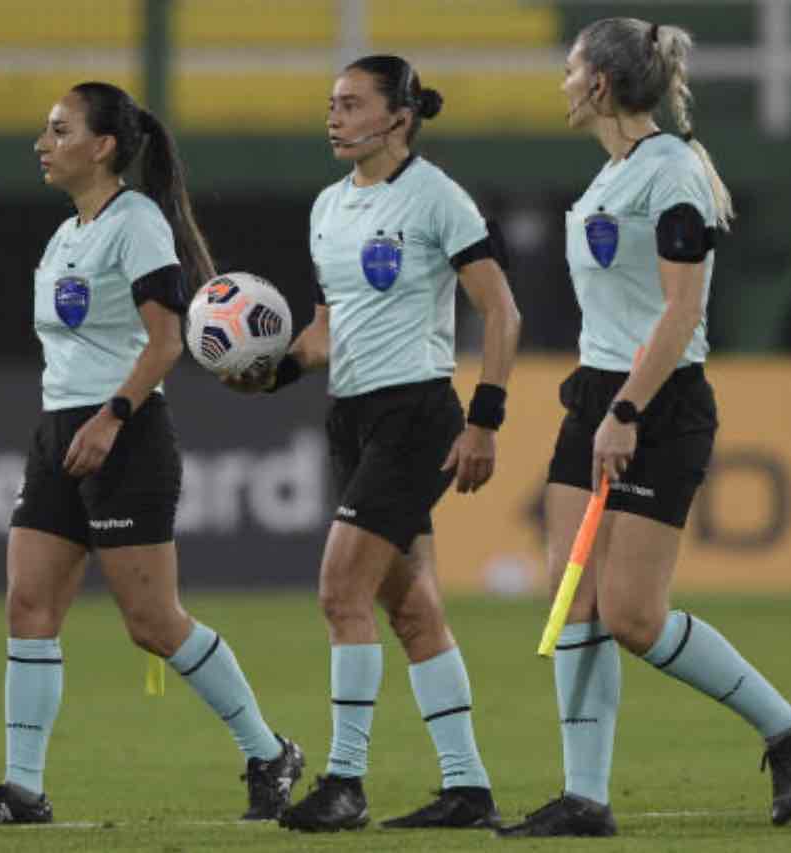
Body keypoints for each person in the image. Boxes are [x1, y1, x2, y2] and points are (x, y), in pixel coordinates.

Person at [0, 82, 303, 827]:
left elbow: (167, 341)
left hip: (124, 435)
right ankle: (23, 790)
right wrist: (74, 425)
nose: (42, 142)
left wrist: (112, 416)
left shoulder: (137, 224)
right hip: (59, 432)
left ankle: (268, 751)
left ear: (102, 147)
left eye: (59, 130)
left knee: (153, 621)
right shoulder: (66, 235)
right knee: (29, 607)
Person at [498, 19, 791, 838]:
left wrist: (626, 411)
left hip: (658, 402)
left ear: (600, 86)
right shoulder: (613, 175)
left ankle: (787, 723)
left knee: (634, 616)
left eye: (573, 71)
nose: (565, 83)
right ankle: (584, 797)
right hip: (597, 393)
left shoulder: (672, 173)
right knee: (573, 598)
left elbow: (682, 315)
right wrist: (602, 404)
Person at [230, 55, 521, 832]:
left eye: (352, 104)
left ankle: (346, 782)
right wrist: (274, 369)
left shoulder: (437, 197)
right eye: (331, 103)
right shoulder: (328, 207)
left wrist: (484, 419)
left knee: (339, 590)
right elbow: (326, 331)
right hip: (350, 418)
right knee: (413, 610)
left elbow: (501, 313)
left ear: (398, 117)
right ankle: (468, 789)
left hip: (416, 414)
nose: (334, 116)